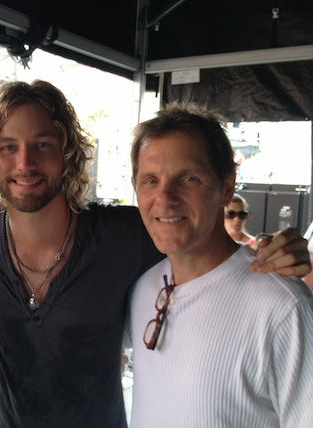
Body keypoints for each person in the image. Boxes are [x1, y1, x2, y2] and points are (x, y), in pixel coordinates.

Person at [0, 80, 311, 427]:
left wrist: (275, 248)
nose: (25, 163)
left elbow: (199, 240)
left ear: (68, 154)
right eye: (7, 147)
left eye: (43, 144)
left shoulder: (126, 235)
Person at [128, 103, 313, 427]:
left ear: (226, 186)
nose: (165, 197)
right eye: (150, 180)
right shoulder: (143, 287)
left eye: (188, 178)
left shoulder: (283, 306)